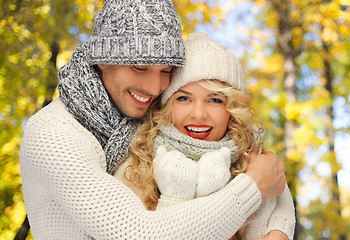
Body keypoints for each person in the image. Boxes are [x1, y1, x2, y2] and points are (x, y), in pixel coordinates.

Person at [19, 0, 287, 239]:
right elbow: (138, 233)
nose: (154, 86)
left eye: (166, 70)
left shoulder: (144, 110)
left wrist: (279, 227)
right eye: (140, 67)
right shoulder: (52, 134)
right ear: (102, 60)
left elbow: (261, 168)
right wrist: (253, 186)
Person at [115, 32, 296, 240]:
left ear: (233, 108)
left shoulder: (255, 164)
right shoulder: (135, 167)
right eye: (184, 98)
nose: (199, 114)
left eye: (215, 100)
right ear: (165, 106)